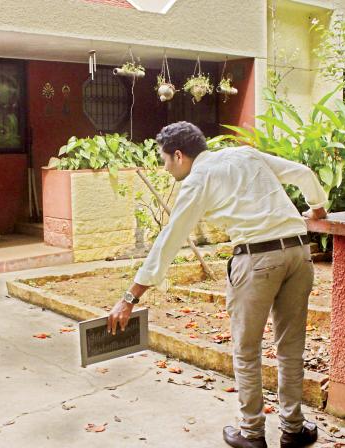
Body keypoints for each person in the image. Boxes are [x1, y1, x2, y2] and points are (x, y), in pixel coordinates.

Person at [107, 122, 329, 448]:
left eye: (165, 160)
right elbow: (302, 173)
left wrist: (131, 296)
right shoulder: (245, 154)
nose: (165, 168)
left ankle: (252, 433)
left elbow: (170, 240)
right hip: (298, 252)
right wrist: (318, 208)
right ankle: (293, 429)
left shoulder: (198, 180)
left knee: (247, 349)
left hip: (257, 260)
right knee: (291, 347)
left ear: (179, 155)